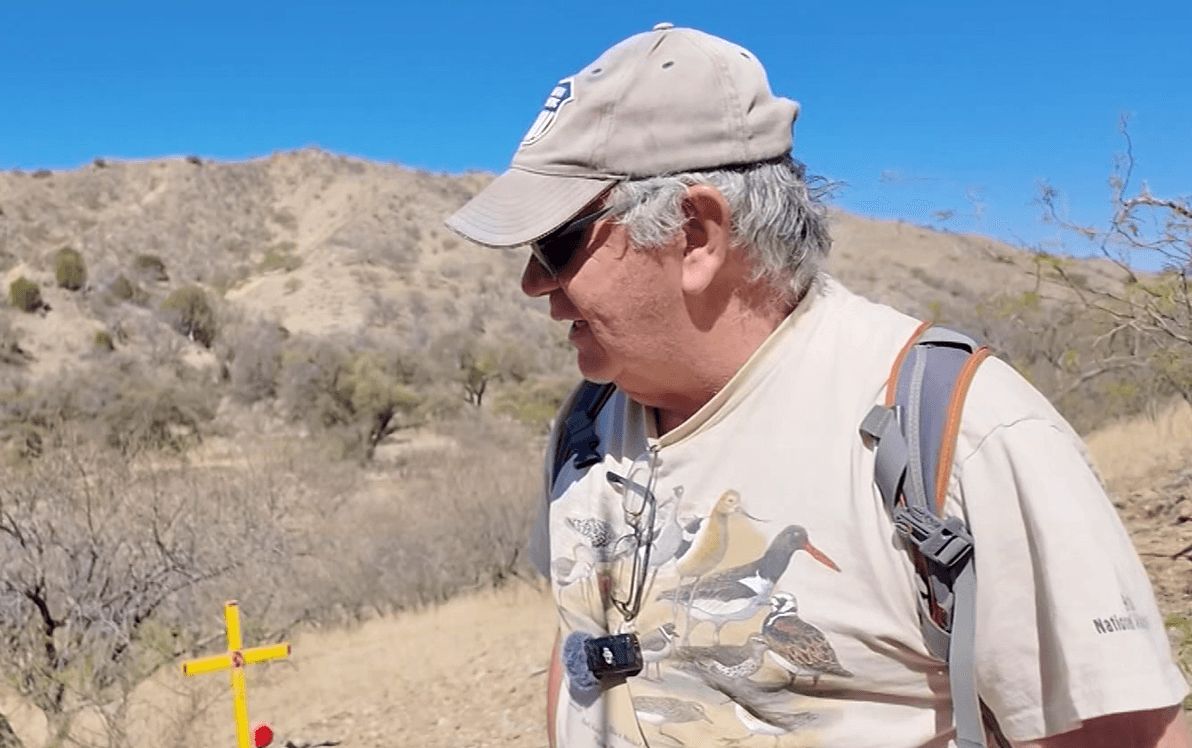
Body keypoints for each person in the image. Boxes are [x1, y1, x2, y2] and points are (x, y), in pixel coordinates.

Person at [444, 23, 1191, 748]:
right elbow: (579, 641)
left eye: (558, 243)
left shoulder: (960, 434)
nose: (533, 282)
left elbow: (1119, 738)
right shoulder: (587, 421)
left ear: (695, 235)